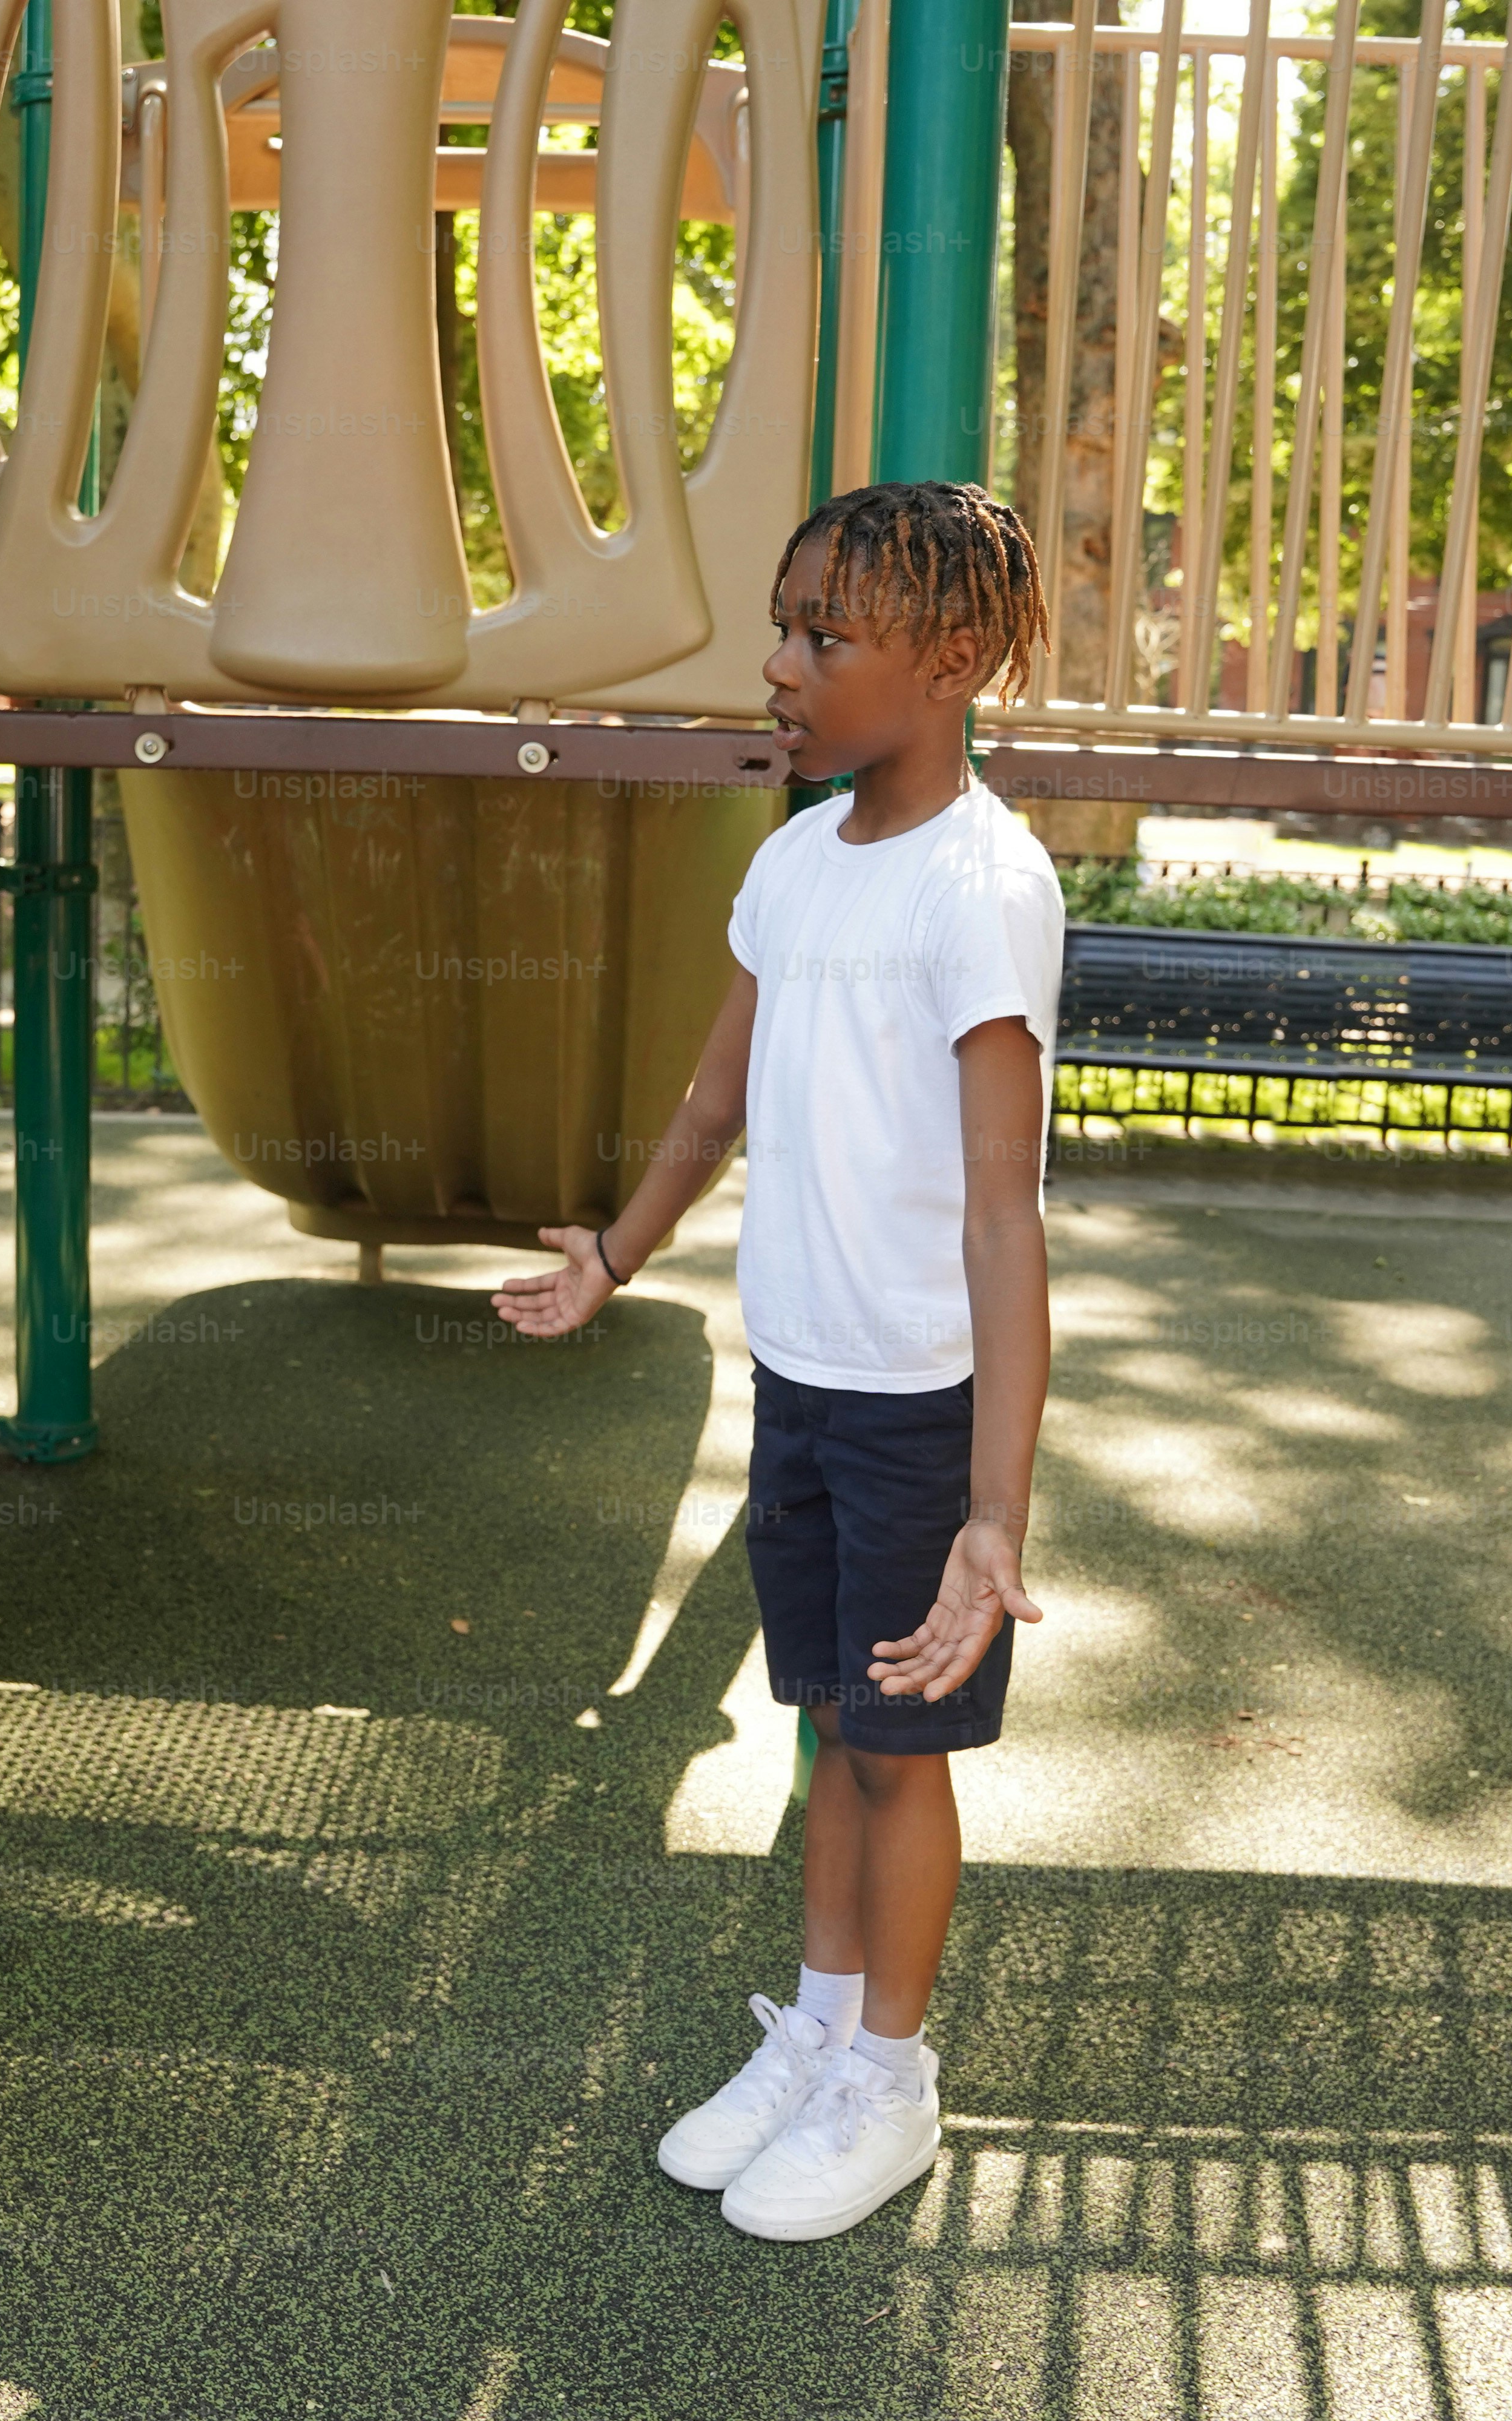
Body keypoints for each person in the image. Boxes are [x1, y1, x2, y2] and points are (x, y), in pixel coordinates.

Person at [491, 481, 1064, 2241]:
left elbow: (1002, 1218)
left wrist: (996, 1516)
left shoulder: (987, 883)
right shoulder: (793, 863)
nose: (781, 664)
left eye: (827, 636)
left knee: (902, 1752)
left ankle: (891, 2077)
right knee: (830, 1726)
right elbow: (716, 1100)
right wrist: (616, 1253)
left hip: (917, 1406)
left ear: (951, 659)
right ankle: (819, 2037)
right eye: (785, 624)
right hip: (804, 1380)